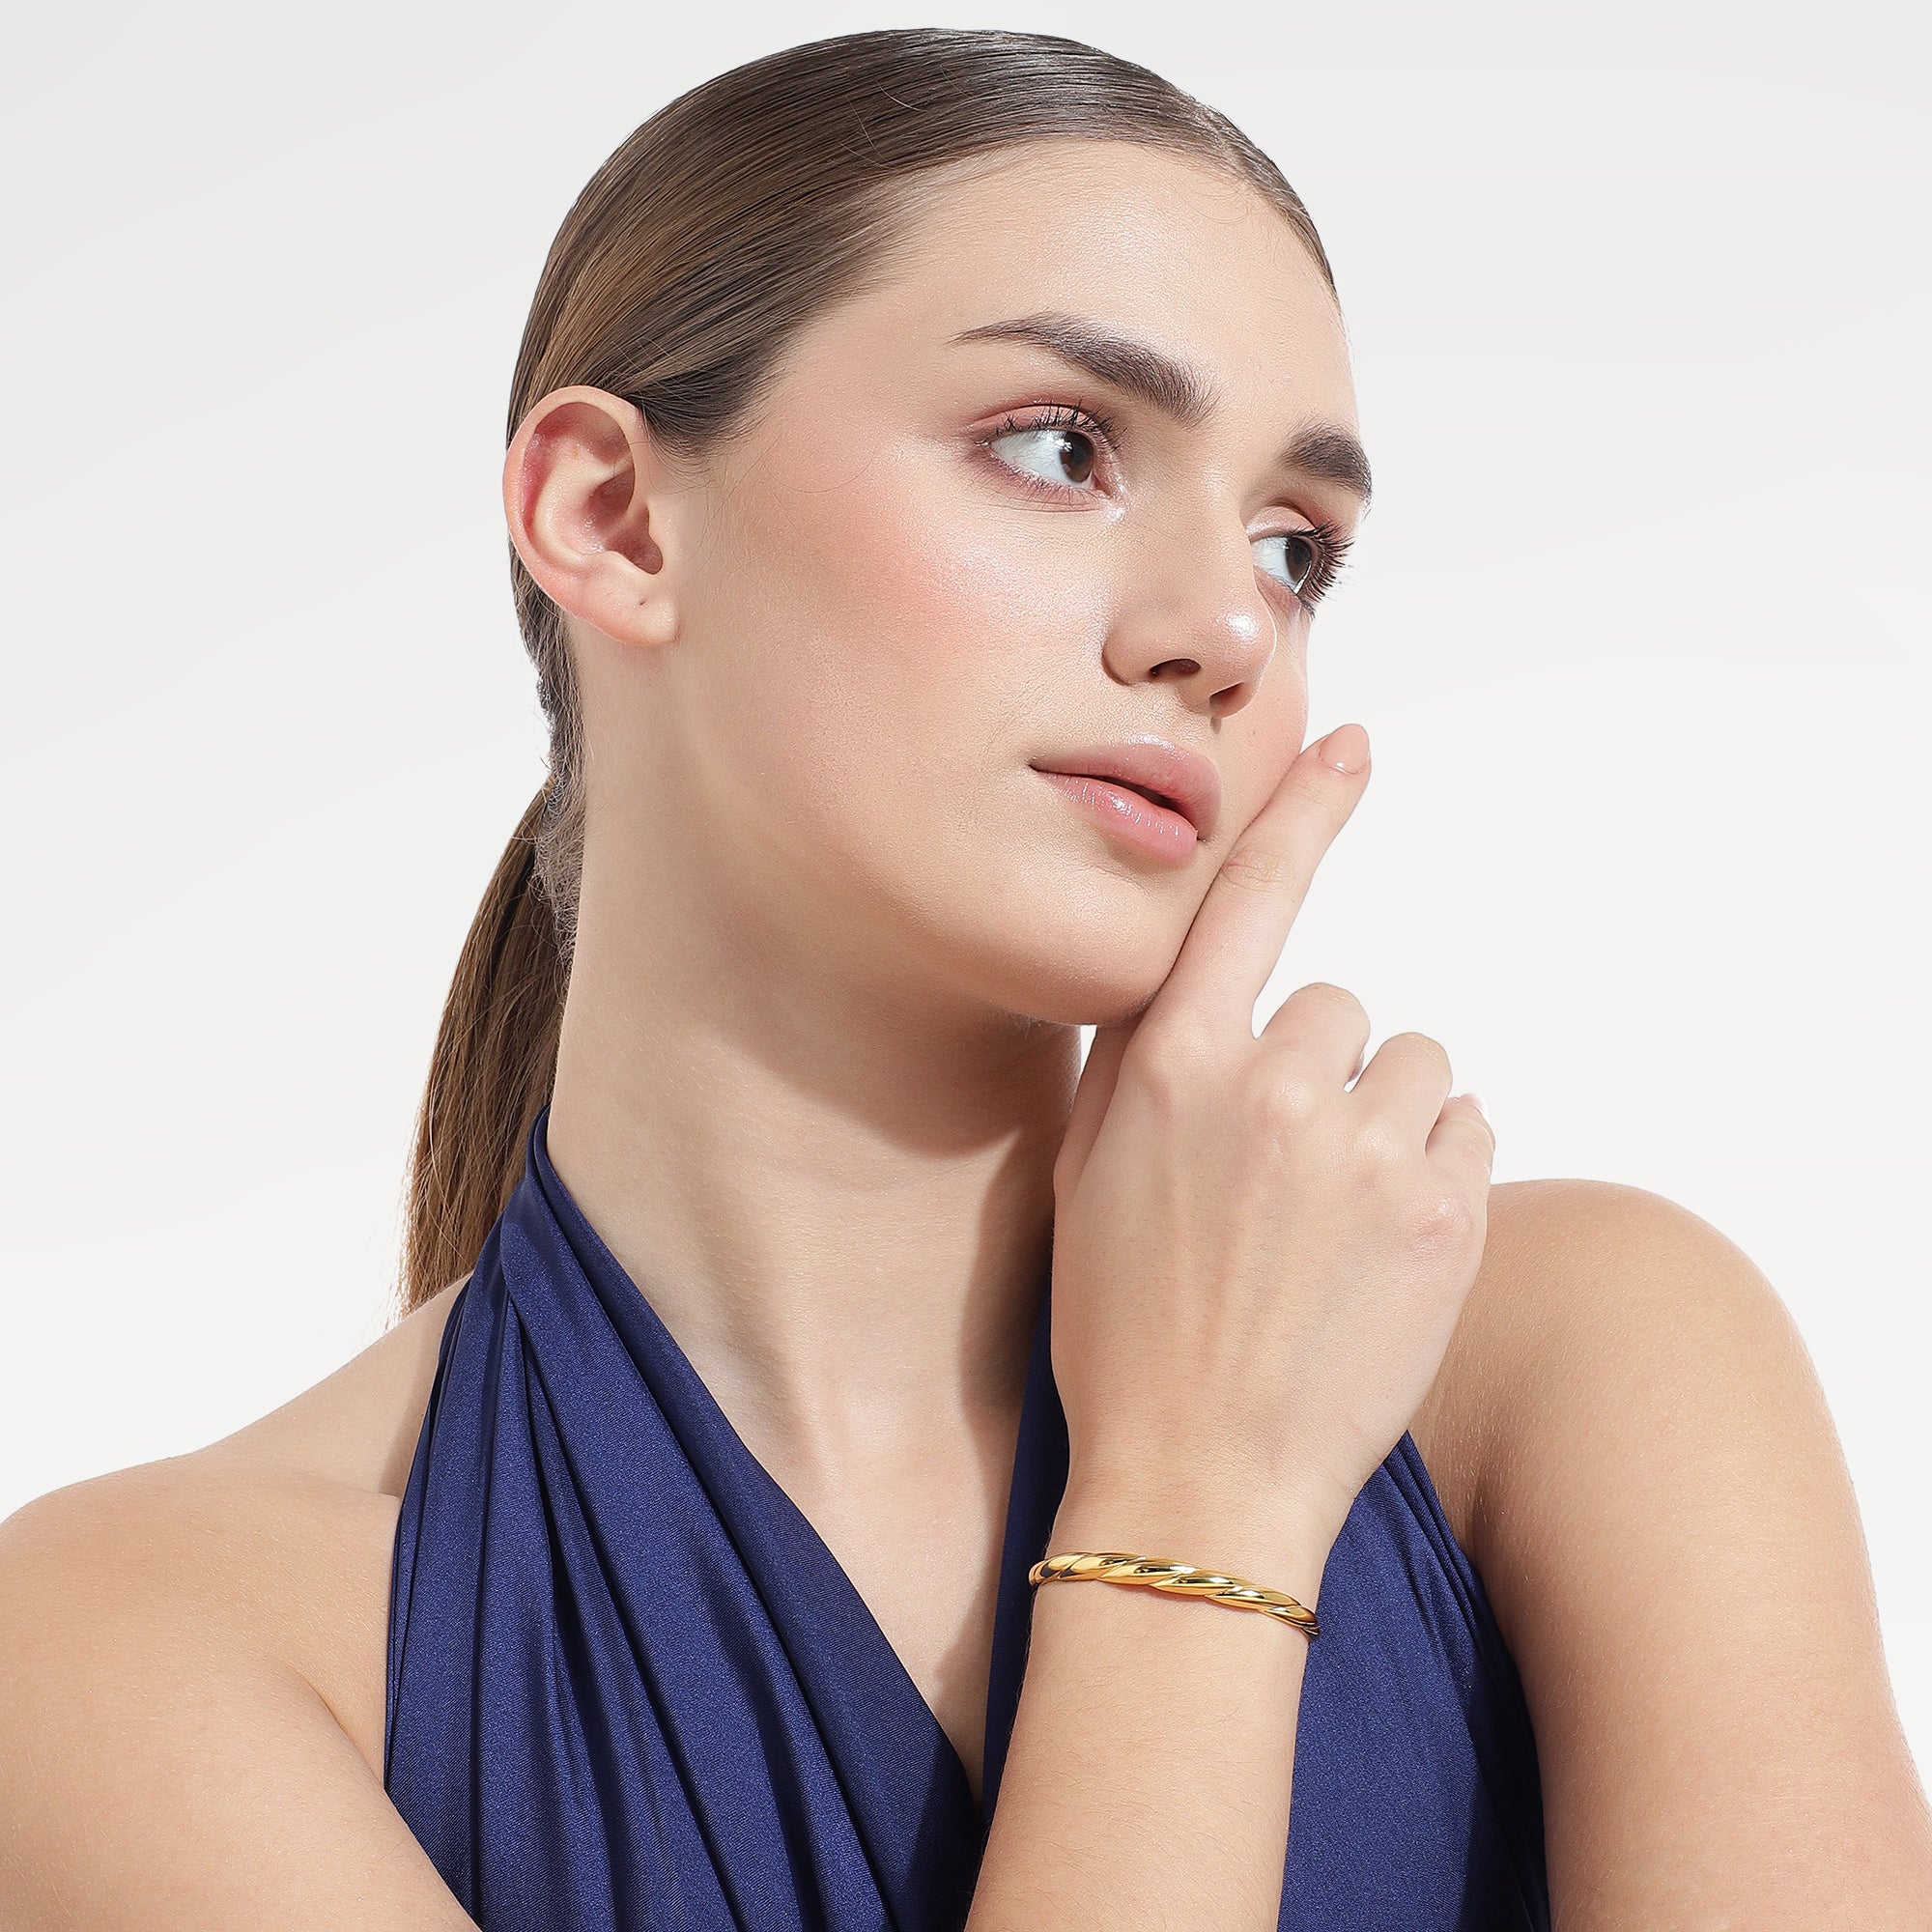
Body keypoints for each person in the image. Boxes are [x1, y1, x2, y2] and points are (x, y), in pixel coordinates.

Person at [1, 25, 1926, 1930]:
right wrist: (1195, 1507)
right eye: (1060, 449)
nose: (1224, 627)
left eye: (1294, 546)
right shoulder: (135, 1659)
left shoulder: (1571, 1364)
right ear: (611, 516)